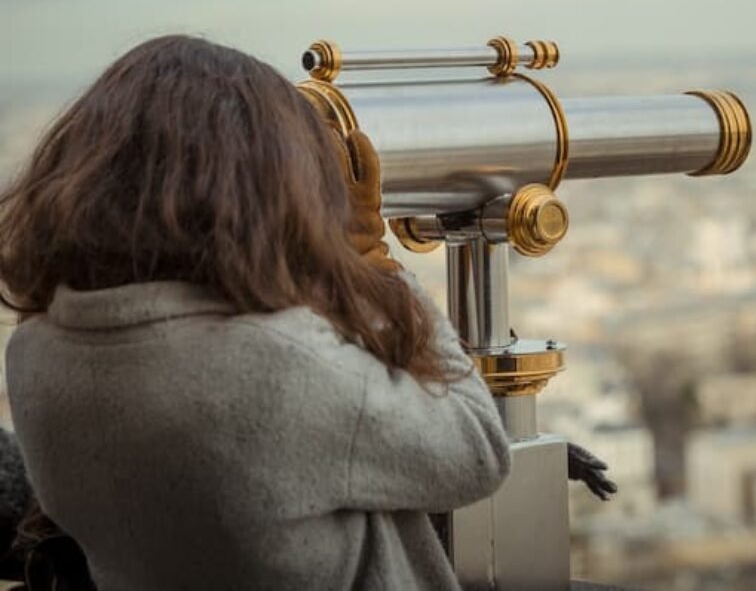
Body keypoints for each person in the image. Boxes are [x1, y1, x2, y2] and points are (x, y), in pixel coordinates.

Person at [0, 35, 512, 590]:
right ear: (258, 184)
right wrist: (371, 266)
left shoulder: (36, 350)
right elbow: (477, 447)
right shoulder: (272, 366)